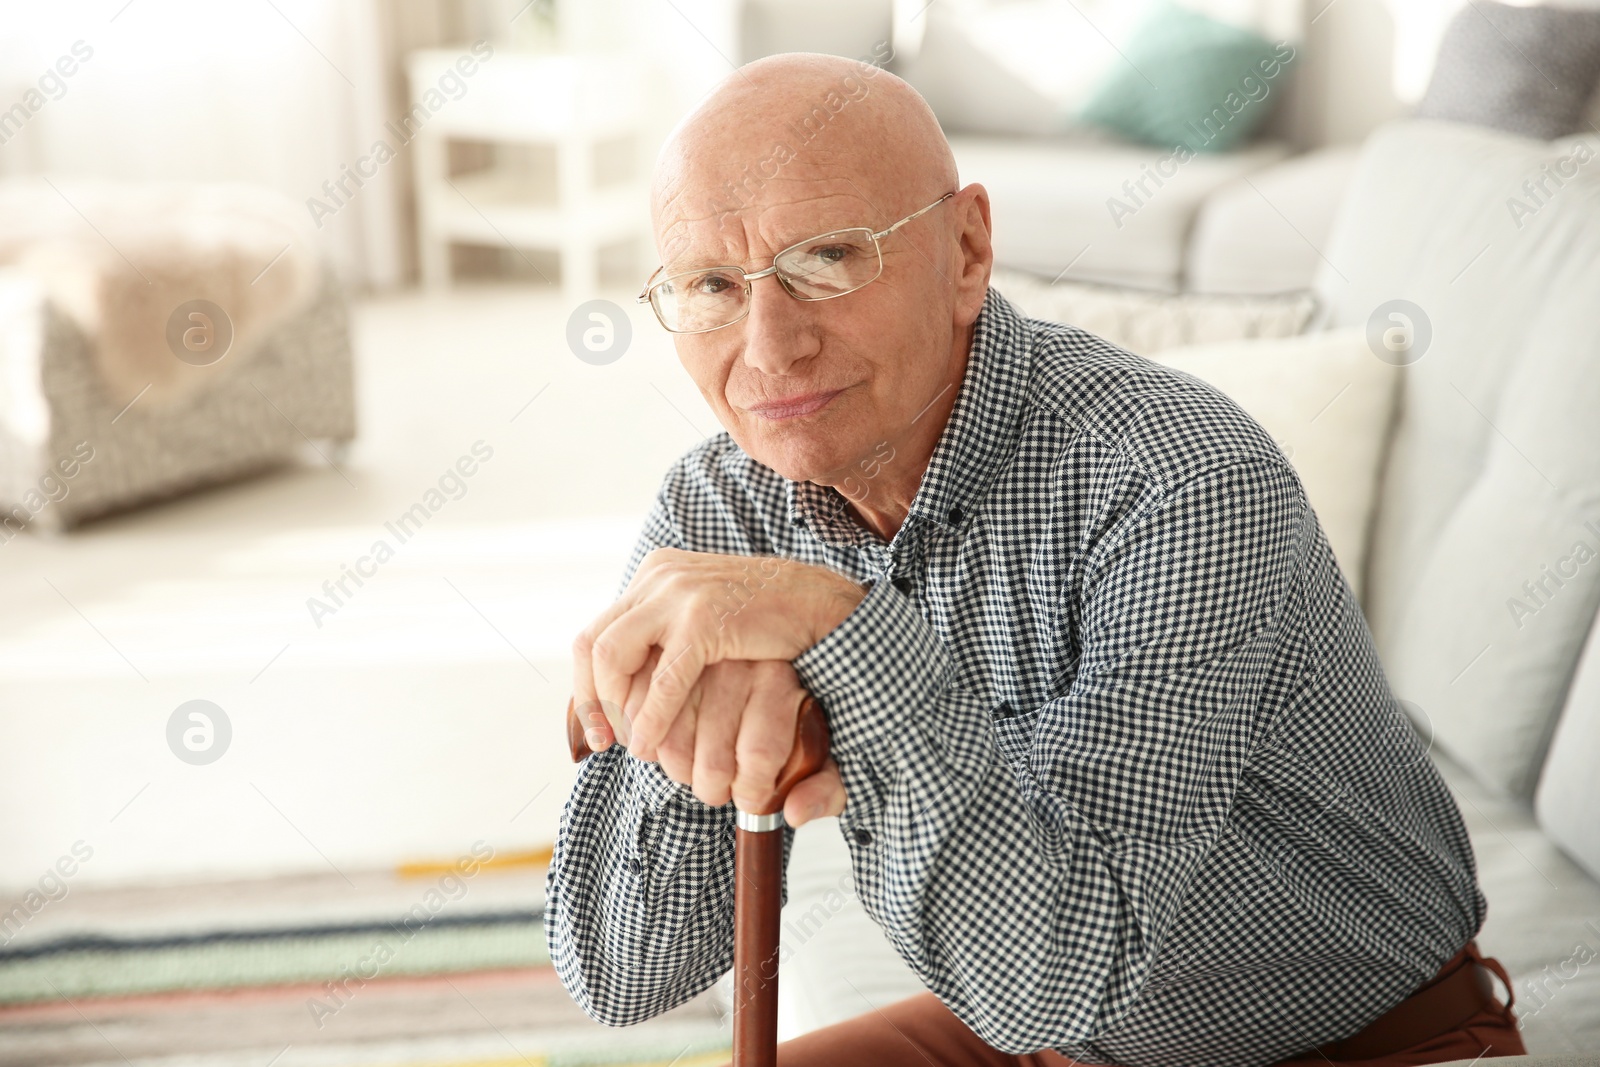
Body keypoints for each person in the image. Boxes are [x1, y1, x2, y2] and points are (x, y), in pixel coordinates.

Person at [545, 51, 1524, 1067]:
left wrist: (844, 632)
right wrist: (683, 726)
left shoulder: (1183, 483)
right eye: (711, 283)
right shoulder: (721, 507)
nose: (768, 346)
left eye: (827, 259)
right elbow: (621, 972)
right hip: (1044, 1035)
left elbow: (1054, 977)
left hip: (1355, 1041)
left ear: (967, 250)